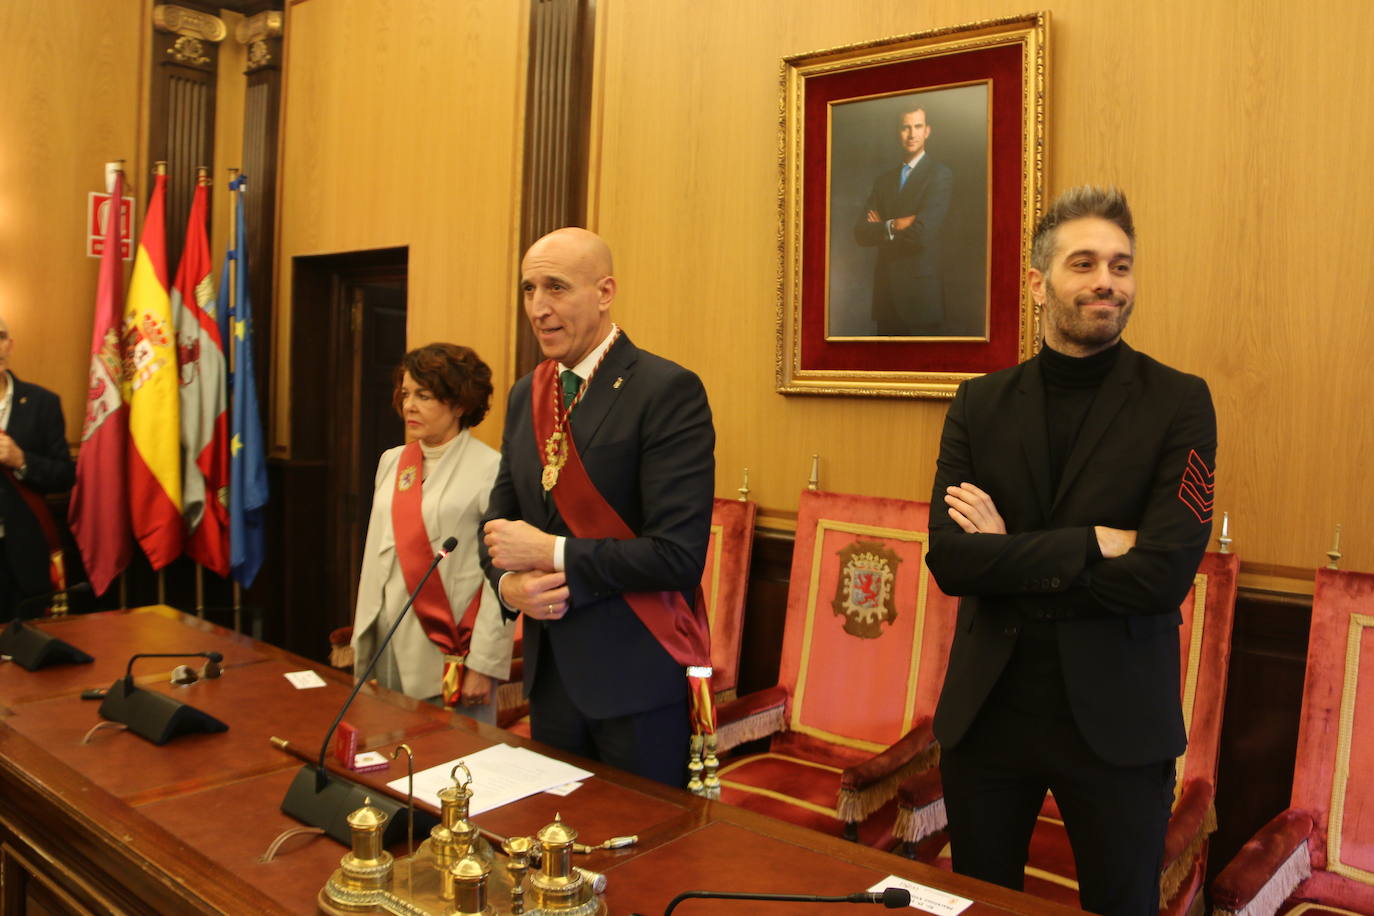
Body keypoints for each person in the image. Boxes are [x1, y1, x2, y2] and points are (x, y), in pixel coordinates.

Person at [926, 186, 1217, 916]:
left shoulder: (1181, 403)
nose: (1106, 283)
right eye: (1084, 264)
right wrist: (1089, 543)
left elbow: (1161, 576)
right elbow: (951, 562)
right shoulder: (979, 403)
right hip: (989, 716)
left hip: (1119, 724)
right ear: (1038, 284)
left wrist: (1010, 558)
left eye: (1121, 266)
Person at [480, 227, 715, 787]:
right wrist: (507, 587)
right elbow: (495, 526)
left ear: (605, 291)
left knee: (644, 864)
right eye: (529, 289)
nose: (539, 308)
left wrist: (553, 552)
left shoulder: (666, 390)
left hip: (636, 680)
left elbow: (677, 557)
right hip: (551, 679)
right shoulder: (526, 394)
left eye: (556, 288)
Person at [351, 343, 513, 722]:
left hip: (449, 652)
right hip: (384, 637)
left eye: (423, 395)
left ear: (458, 403)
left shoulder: (491, 468)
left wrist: (484, 664)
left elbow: (502, 574)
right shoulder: (392, 462)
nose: (409, 405)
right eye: (406, 394)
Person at [0, 315, 76, 621]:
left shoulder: (42, 403)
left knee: (24, 654)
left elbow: (64, 475)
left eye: (0, 336)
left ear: (10, 345)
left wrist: (22, 461)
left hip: (22, 554)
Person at [853, 106, 954, 335]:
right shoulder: (883, 181)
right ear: (897, 132)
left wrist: (881, 228)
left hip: (920, 298)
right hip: (886, 296)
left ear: (927, 131)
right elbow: (860, 232)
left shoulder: (940, 175)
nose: (912, 134)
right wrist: (895, 224)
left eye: (917, 126)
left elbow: (922, 234)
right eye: (905, 127)